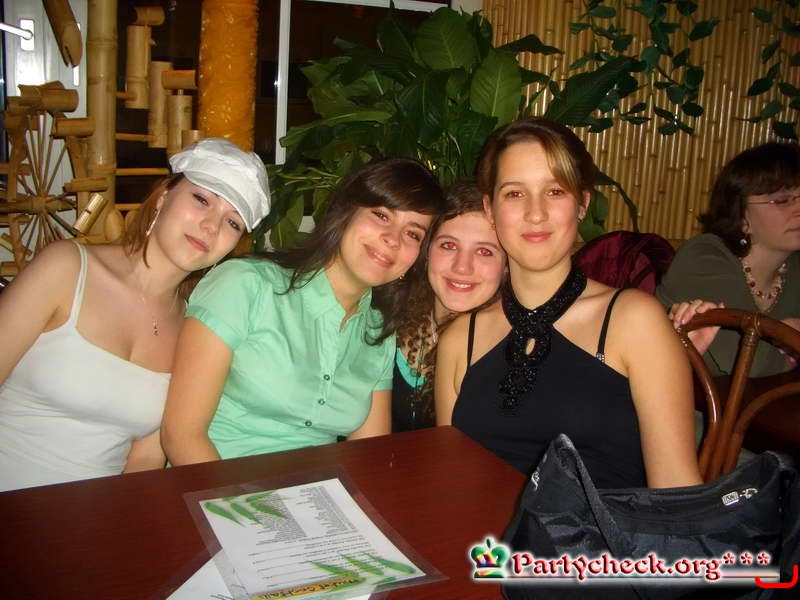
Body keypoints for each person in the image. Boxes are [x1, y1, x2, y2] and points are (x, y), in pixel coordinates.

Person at [436, 118, 702, 489]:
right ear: (490, 210)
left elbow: (675, 486)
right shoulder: (460, 339)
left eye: (555, 191)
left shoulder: (633, 321)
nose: (536, 213)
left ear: (582, 204)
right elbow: (451, 482)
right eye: (514, 193)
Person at [0, 137, 270, 491]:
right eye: (201, 199)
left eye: (233, 222)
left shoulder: (193, 327)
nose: (211, 227)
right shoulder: (65, 269)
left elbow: (145, 461)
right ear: (162, 197)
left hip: (96, 514)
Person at [161, 158, 445, 464]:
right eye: (381, 215)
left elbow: (369, 456)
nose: (392, 239)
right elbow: (181, 435)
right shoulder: (246, 285)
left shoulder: (377, 330)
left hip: (317, 489)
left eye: (413, 234)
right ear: (345, 213)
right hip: (215, 481)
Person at [657, 142, 800, 377]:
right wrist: (788, 338)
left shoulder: (794, 265)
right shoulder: (704, 257)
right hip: (680, 398)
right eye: (782, 200)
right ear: (741, 216)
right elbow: (751, 364)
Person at [393, 180, 505, 431]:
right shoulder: (389, 319)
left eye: (485, 251)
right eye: (449, 245)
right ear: (426, 251)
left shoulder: (508, 349)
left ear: (506, 266)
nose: (462, 267)